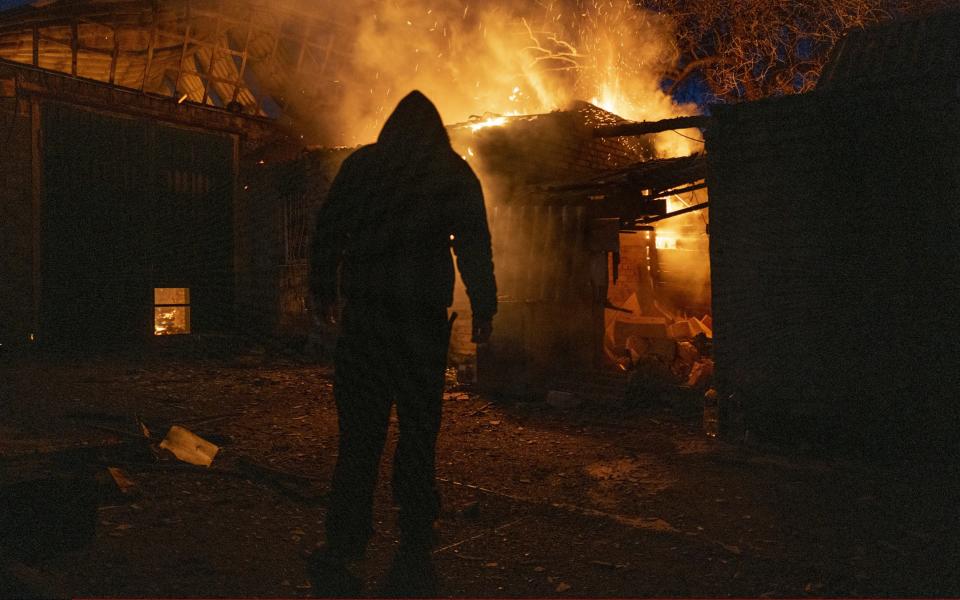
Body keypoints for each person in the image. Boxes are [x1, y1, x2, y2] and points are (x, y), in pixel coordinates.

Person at [307, 90, 497, 596]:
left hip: (366, 325)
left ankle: (346, 540)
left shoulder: (362, 166)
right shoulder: (452, 171)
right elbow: (475, 244)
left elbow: (329, 229)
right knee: (418, 433)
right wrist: (485, 308)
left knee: (359, 438)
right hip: (419, 327)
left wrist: (322, 288)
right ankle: (415, 529)